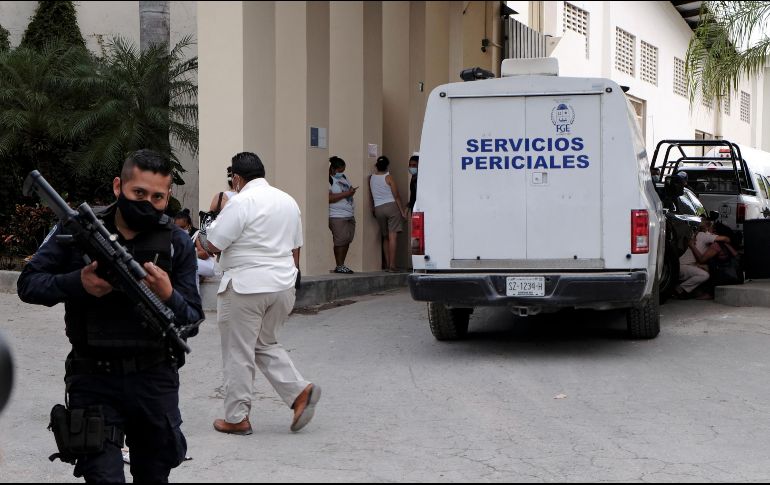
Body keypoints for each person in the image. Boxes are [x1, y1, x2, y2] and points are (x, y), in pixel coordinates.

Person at [16, 149, 203, 482]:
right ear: (119, 186)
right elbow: (28, 284)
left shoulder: (176, 242)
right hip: (94, 378)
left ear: (168, 196)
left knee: (154, 475)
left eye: (157, 197)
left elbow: (192, 319)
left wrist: (168, 295)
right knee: (103, 476)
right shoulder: (79, 230)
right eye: (139, 193)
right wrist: (78, 283)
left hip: (153, 379)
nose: (147, 203)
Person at [200, 152, 320, 435]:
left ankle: (236, 417)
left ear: (236, 178)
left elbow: (212, 245)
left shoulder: (241, 202)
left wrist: (207, 230)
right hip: (283, 284)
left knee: (238, 351)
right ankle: (300, 392)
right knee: (263, 343)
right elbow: (295, 246)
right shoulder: (287, 201)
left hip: (246, 287)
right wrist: (293, 277)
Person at [369, 155, 407, 272]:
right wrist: (402, 212)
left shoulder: (371, 178)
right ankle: (392, 265)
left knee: (385, 237)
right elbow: (396, 196)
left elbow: (371, 195)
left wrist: (373, 208)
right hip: (391, 207)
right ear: (387, 166)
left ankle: (386, 263)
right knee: (392, 237)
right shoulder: (388, 177)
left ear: (376, 165)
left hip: (378, 208)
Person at [328, 156, 357, 274]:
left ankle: (342, 265)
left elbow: (348, 191)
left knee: (347, 240)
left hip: (349, 214)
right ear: (333, 169)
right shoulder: (328, 180)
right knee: (340, 241)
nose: (342, 173)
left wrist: (351, 191)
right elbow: (329, 198)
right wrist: (347, 193)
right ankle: (339, 265)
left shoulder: (344, 177)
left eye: (343, 170)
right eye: (340, 170)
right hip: (337, 215)